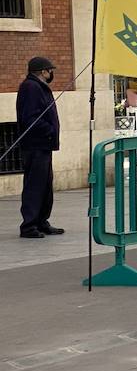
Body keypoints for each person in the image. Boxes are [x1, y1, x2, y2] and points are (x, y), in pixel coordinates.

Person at [16, 55, 62, 239]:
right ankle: (28, 225)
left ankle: (42, 221)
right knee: (35, 185)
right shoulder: (31, 87)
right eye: (50, 70)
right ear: (43, 71)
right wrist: (49, 129)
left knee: (45, 185)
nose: (51, 73)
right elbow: (30, 118)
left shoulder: (39, 87)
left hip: (44, 145)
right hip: (35, 145)